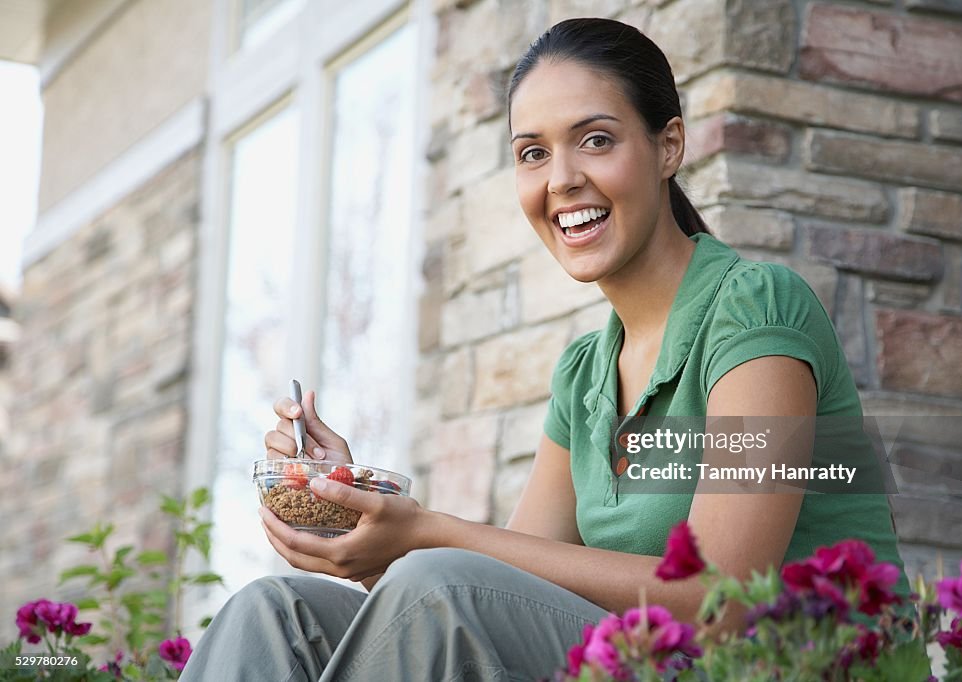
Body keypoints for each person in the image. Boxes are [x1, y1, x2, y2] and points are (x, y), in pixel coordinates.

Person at [181, 17, 909, 681]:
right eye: (533, 153)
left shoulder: (756, 311)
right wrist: (362, 510)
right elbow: (511, 587)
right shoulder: (584, 375)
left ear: (669, 145)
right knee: (276, 612)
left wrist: (425, 537)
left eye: (595, 139)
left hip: (777, 668)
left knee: (436, 590)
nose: (562, 180)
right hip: (636, 665)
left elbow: (719, 599)